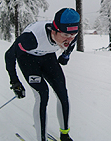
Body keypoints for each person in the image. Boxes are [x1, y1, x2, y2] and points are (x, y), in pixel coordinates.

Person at [5, 8, 80, 141]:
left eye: (73, 34)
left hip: (47, 57)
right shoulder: (30, 39)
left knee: (62, 92)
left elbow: (71, 44)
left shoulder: (71, 35)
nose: (69, 39)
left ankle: (65, 134)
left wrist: (65, 56)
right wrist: (15, 81)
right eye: (65, 35)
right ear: (54, 30)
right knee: (42, 95)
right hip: (28, 58)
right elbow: (9, 55)